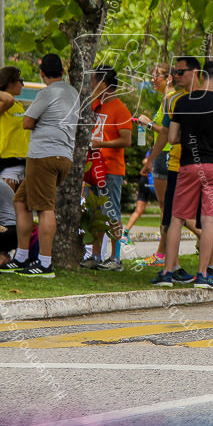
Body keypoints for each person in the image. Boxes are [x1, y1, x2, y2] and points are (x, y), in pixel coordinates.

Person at [151, 58, 213, 288]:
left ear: (200, 76)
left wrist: (189, 138)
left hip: (187, 165)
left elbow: (172, 137)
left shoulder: (181, 103)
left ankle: (168, 272)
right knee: (208, 221)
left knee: (176, 218)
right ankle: (202, 275)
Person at [1, 53, 79, 278]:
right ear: (63, 71)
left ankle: (45, 264)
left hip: (44, 156)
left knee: (45, 208)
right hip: (63, 156)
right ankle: (22, 257)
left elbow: (27, 122)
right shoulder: (72, 92)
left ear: (42, 73)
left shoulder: (47, 92)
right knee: (21, 202)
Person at [80, 65, 132, 272]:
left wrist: (100, 144)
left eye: (93, 81)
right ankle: (95, 254)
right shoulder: (96, 106)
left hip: (111, 169)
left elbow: (126, 139)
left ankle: (115, 257)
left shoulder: (121, 109)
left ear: (103, 84)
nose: (91, 86)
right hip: (93, 167)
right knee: (94, 212)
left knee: (111, 212)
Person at [136, 63, 174, 267]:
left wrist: (148, 123)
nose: (152, 79)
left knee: (166, 208)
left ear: (169, 78)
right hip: (163, 154)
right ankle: (167, 254)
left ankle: (162, 254)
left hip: (166, 155)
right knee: (167, 208)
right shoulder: (166, 98)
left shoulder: (170, 98)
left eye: (156, 76)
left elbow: (166, 131)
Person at [0, 66, 30, 190]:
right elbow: (9, 100)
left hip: (23, 162)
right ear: (10, 83)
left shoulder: (18, 105)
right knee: (8, 206)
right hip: (8, 163)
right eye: (20, 81)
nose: (22, 85)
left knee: (21, 207)